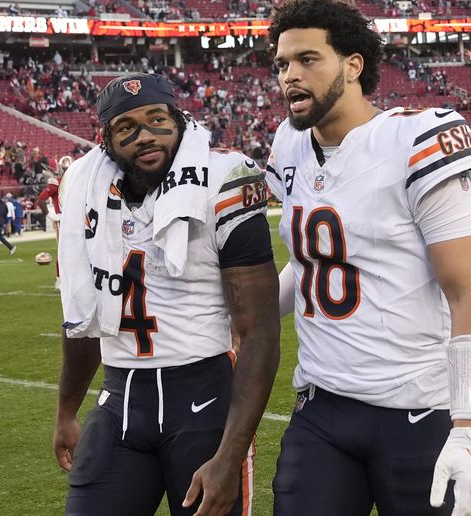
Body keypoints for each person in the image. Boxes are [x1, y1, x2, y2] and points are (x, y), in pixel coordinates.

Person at [266, 2, 471, 515]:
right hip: (321, 410)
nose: (291, 76)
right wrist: (231, 315)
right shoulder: (288, 146)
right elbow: (309, 266)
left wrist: (467, 428)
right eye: (282, 64)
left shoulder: (412, 140)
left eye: (308, 59)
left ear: (353, 65)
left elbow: (468, 291)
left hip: (415, 410)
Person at [54, 72, 281, 516]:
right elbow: (82, 312)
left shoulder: (223, 178)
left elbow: (260, 331)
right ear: (107, 141)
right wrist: (66, 411)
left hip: (202, 397)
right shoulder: (85, 186)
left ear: (178, 120)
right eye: (126, 128)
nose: (145, 136)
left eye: (157, 119)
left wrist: (230, 454)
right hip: (120, 399)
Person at [39, 155, 70, 289]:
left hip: (75, 220)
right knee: (63, 251)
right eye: (65, 168)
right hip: (62, 220)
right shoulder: (56, 182)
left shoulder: (76, 180)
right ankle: (60, 280)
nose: (67, 170)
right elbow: (41, 199)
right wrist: (51, 215)